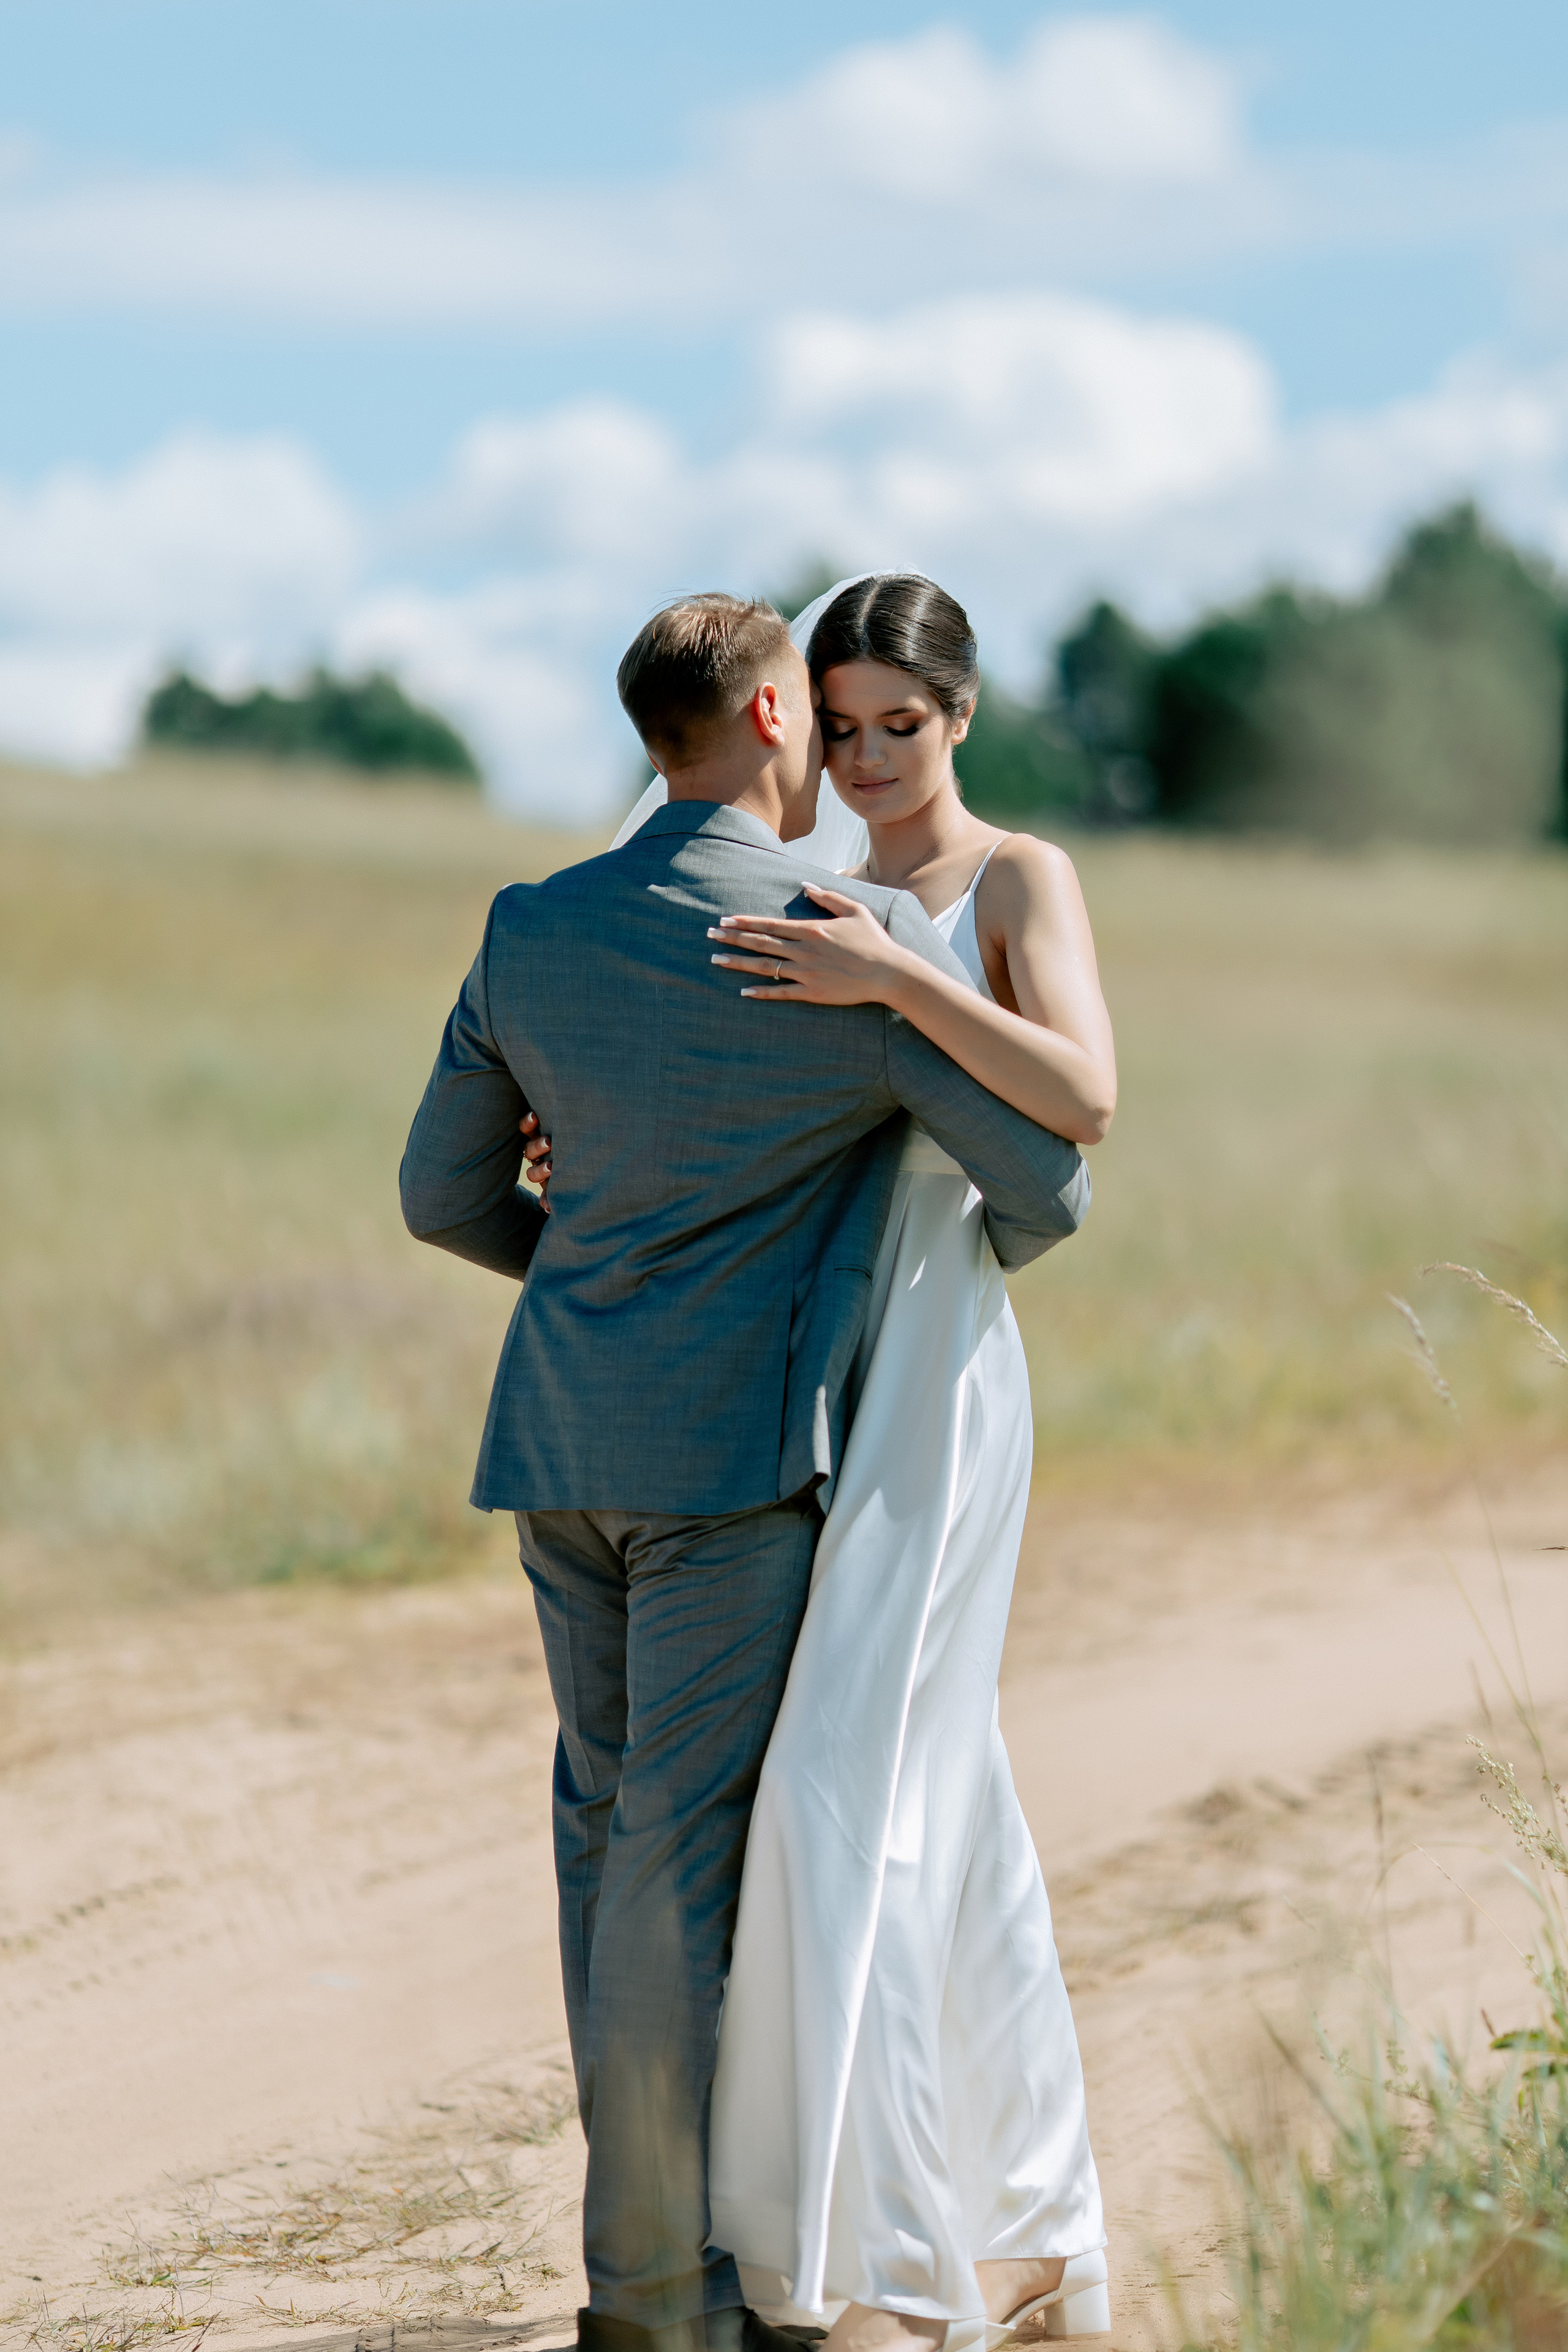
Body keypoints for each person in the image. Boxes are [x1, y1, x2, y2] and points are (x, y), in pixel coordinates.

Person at [399, 590, 1092, 2352]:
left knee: (601, 1843)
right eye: (833, 724)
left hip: (560, 1446)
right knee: (684, 1867)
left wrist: (590, 1248)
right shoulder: (827, 939)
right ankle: (659, 2300)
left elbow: (440, 1194)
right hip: (734, 1470)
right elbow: (1050, 1189)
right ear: (779, 717)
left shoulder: (531, 925)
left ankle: (666, 2275)